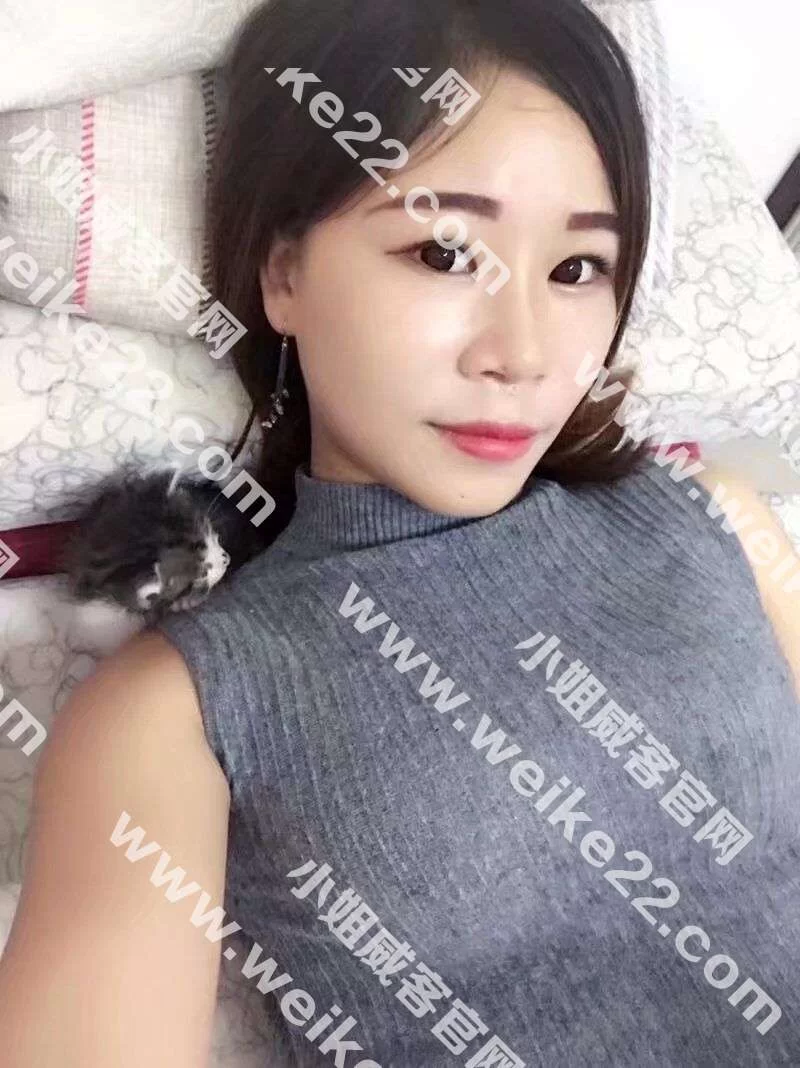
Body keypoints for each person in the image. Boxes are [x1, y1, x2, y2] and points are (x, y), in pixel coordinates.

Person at [1, 0, 798, 1064]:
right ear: (282, 272)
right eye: (443, 251)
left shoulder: (721, 525)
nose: (522, 353)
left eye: (576, 270)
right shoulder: (179, 707)